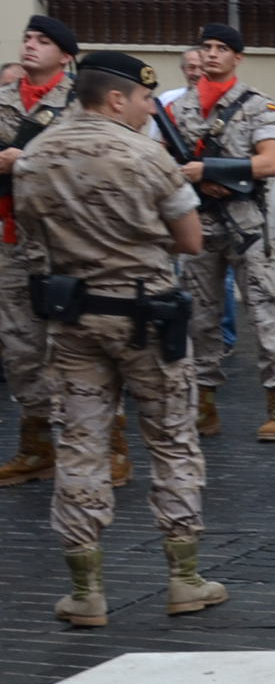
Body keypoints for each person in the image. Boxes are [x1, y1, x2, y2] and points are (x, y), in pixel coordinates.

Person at [16, 51, 223, 630]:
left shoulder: (34, 157)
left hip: (73, 320)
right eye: (141, 100)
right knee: (173, 441)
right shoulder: (146, 155)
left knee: (81, 445)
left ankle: (85, 590)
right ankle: (184, 579)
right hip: (147, 321)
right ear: (115, 99)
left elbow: (32, 236)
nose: (145, 109)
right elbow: (190, 241)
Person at [164, 24, 275, 443]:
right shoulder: (179, 108)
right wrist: (199, 182)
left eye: (222, 48)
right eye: (206, 47)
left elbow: (270, 162)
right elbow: (164, 164)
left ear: (237, 57)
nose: (212, 54)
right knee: (201, 320)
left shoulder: (257, 105)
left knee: (263, 315)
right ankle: (204, 407)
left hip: (246, 226)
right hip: (199, 222)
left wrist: (215, 170)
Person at [0, 15, 81, 487]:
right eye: (27, 38)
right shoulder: (5, 99)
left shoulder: (80, 102)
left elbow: (93, 163)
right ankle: (36, 448)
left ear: (65, 55)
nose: (30, 45)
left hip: (68, 243)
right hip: (14, 239)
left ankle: (110, 445)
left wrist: (24, 160)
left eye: (43, 40)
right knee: (20, 347)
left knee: (76, 345)